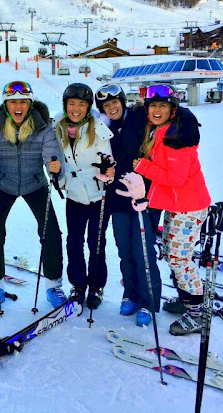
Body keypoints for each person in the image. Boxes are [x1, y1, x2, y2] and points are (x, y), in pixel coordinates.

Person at [0, 81, 66, 312]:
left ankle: (54, 285)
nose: (18, 107)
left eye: (23, 102)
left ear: (30, 105)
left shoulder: (43, 127)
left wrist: (54, 167)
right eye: (13, 102)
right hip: (4, 184)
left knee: (51, 231)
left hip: (35, 184)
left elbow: (51, 154)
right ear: (6, 105)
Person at [132, 84, 211, 336]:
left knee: (179, 260)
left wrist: (143, 167)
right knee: (170, 254)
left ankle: (197, 315)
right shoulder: (164, 131)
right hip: (177, 205)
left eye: (163, 106)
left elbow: (176, 178)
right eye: (153, 105)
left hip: (188, 206)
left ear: (173, 110)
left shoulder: (176, 139)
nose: (157, 110)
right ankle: (187, 298)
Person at [95, 84, 162, 326]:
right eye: (106, 105)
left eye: (115, 102)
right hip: (117, 196)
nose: (111, 107)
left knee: (142, 250)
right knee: (124, 249)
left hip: (144, 195)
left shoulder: (140, 118)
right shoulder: (102, 129)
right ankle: (130, 293)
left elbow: (169, 116)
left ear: (123, 102)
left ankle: (148, 301)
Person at [53, 83, 115, 309]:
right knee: (74, 242)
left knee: (96, 242)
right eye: (72, 104)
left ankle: (96, 286)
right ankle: (78, 284)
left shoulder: (97, 128)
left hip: (97, 194)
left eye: (81, 104)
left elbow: (108, 159)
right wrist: (55, 173)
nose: (76, 109)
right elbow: (52, 157)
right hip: (74, 194)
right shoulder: (57, 128)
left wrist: (108, 171)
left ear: (88, 107)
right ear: (65, 105)